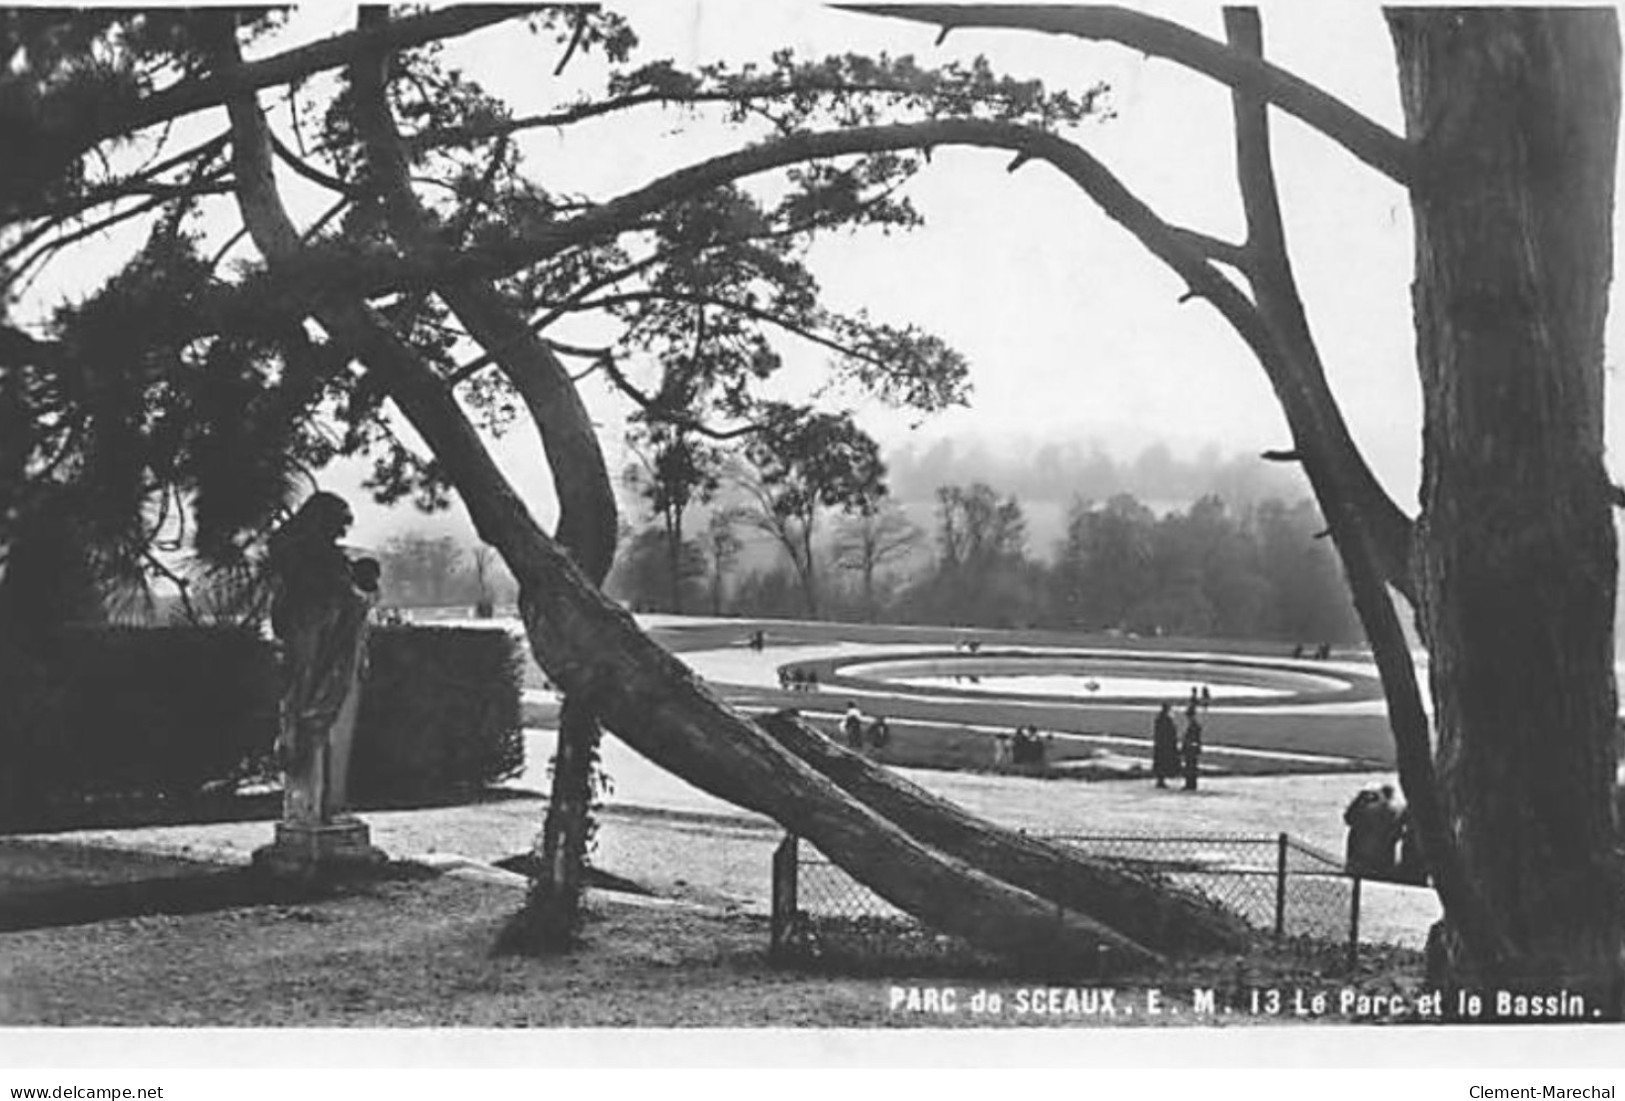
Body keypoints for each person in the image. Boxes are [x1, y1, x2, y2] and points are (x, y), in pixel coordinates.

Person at [1152, 702, 1179, 789]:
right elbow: (1170, 732)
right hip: (1165, 745)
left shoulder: (1159, 719)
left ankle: (1160, 779)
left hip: (1160, 744)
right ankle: (1161, 780)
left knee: (1161, 762)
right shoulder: (1166, 720)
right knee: (1164, 762)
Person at [1180, 713, 1203, 791]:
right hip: (1191, 748)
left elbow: (1192, 738)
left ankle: (1191, 783)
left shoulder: (1193, 726)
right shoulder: (1194, 725)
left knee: (1191, 766)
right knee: (1190, 766)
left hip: (1191, 749)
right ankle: (1190, 783)